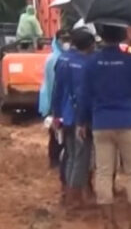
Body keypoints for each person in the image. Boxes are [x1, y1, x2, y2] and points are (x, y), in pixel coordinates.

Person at [76, 24, 131, 227]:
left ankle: (108, 223)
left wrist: (82, 121)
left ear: (101, 36)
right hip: (127, 122)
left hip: (101, 123)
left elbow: (84, 96)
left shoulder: (92, 63)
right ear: (121, 36)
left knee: (103, 172)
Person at [51, 28, 95, 207]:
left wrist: (56, 114)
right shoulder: (85, 64)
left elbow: (57, 89)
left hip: (65, 115)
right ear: (90, 45)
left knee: (69, 154)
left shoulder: (63, 59)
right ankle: (75, 196)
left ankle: (68, 192)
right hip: (79, 116)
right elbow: (84, 94)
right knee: (81, 155)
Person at [41, 30, 70, 187]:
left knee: (57, 133)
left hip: (55, 99)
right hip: (55, 99)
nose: (66, 42)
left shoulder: (56, 57)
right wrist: (55, 106)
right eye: (64, 39)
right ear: (57, 40)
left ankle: (55, 159)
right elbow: (55, 85)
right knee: (56, 133)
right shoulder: (55, 59)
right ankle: (54, 160)